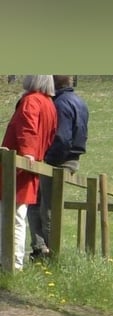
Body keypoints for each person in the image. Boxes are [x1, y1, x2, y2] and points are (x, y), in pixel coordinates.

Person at [28, 75, 89, 261]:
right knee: (44, 205)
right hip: (71, 159)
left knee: (44, 208)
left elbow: (62, 139)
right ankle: (42, 249)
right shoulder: (80, 102)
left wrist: (48, 160)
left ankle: (48, 254)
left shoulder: (60, 104)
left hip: (57, 162)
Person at [0, 75, 57, 270]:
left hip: (18, 166)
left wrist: (29, 154)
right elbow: (49, 136)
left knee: (12, 215)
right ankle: (13, 261)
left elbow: (27, 129)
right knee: (17, 215)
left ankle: (11, 263)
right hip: (28, 165)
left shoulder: (31, 100)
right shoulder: (49, 104)